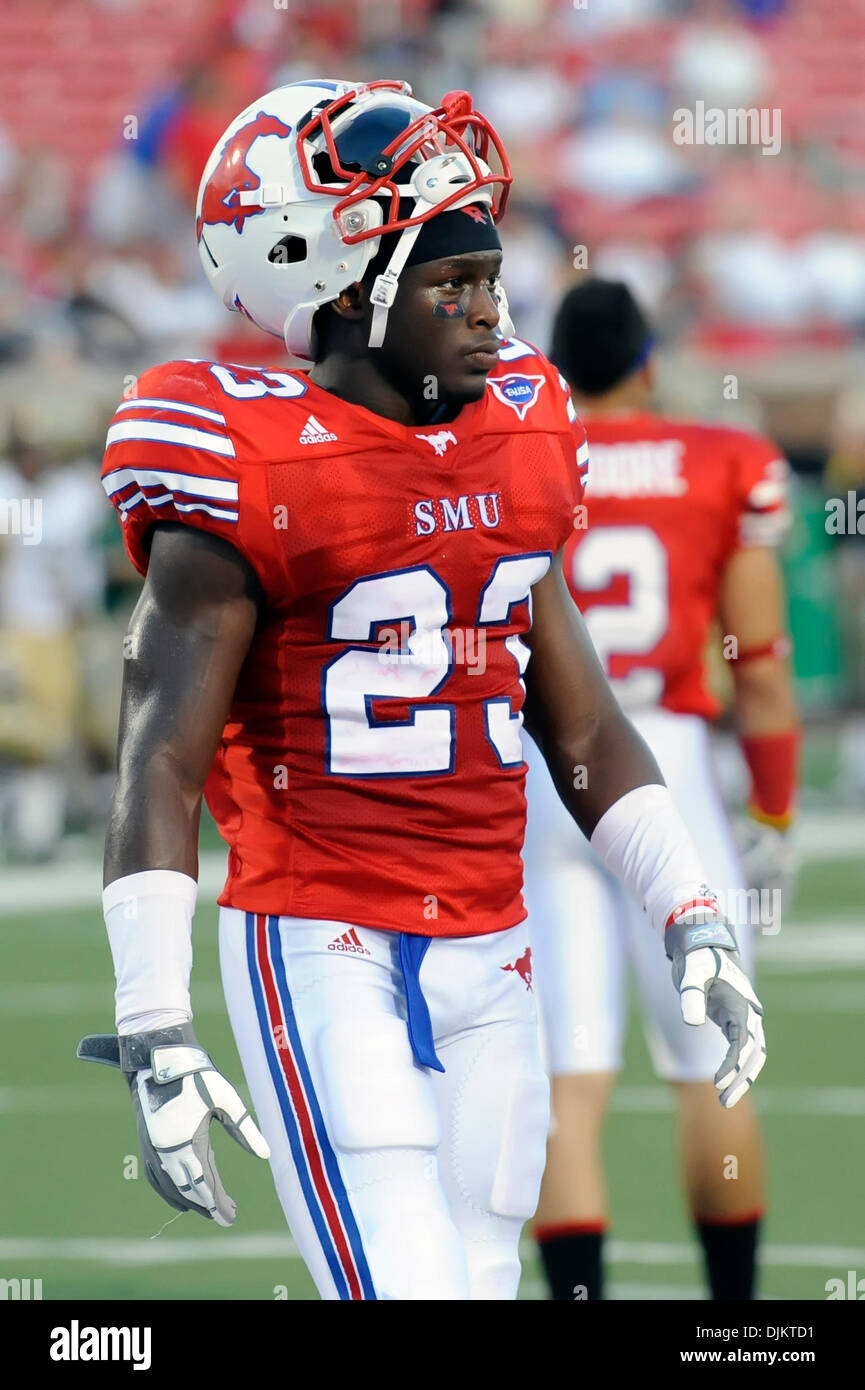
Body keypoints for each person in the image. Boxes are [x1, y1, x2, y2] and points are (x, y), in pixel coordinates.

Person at [78, 82, 765, 1302]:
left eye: (491, 280)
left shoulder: (516, 437)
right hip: (325, 937)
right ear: (336, 287)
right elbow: (160, 755)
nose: (489, 315)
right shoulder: (248, 457)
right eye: (452, 285)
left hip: (494, 945)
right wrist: (153, 1015)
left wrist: (688, 906)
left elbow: (585, 724)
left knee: (483, 1282)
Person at [524, 279, 798, 1302]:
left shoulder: (520, 456)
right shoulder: (724, 462)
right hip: (666, 770)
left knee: (566, 1081)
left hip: (544, 770)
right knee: (710, 1061)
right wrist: (770, 812)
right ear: (646, 361)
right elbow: (762, 669)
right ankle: (730, 1325)